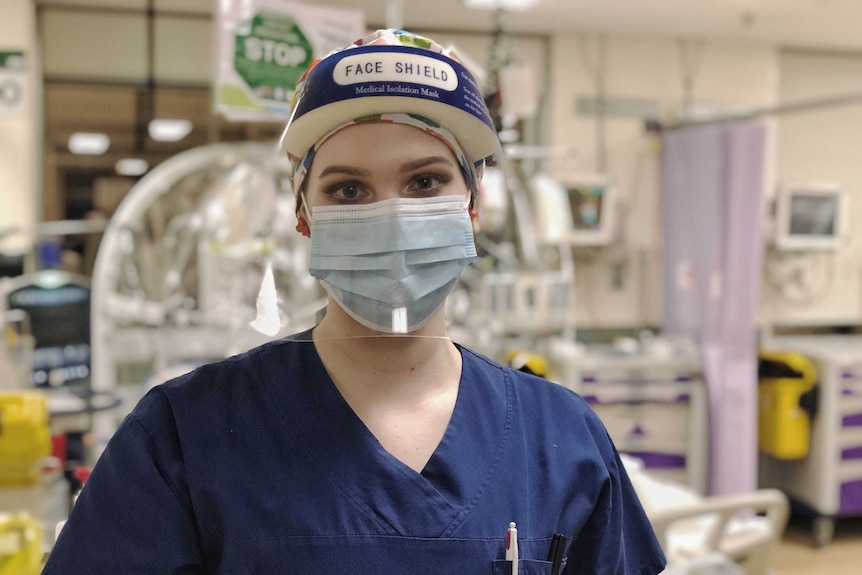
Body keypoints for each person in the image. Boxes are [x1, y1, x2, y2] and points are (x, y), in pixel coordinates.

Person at [43, 29, 666, 574]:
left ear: (470, 207)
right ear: (304, 215)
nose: (391, 217)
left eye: (425, 182)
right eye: (347, 189)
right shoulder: (186, 435)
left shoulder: (559, 438)